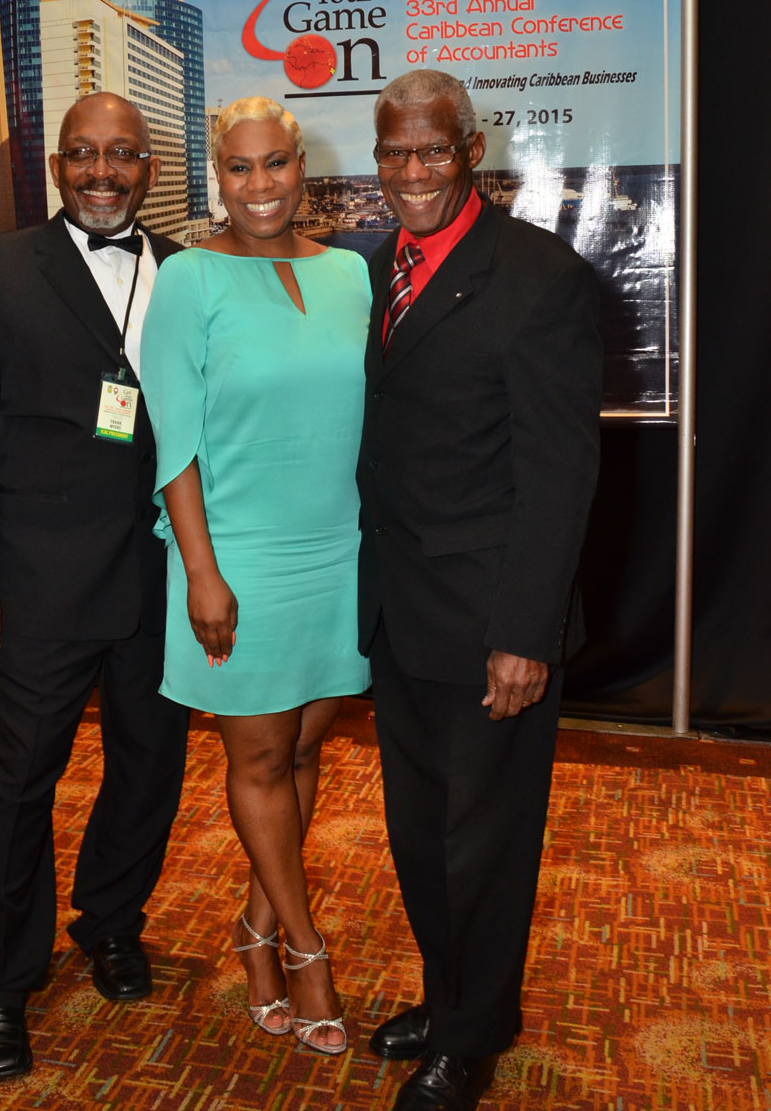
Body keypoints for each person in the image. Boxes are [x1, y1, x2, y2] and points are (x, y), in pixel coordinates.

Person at [0, 92, 189, 1081]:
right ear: (57, 166)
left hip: (161, 573)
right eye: (83, 153)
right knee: (17, 782)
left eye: (121, 153)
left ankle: (112, 921)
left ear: (147, 166)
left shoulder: (189, 270)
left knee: (150, 767)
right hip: (38, 580)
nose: (101, 171)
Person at [357, 71, 602, 1110]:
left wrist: (525, 632)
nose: (411, 171)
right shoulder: (371, 267)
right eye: (393, 152)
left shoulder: (541, 277)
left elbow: (558, 472)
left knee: (485, 845)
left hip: (490, 620)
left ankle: (472, 1035)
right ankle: (447, 996)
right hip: (398, 610)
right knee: (420, 833)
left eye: (432, 150)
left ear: (470, 150)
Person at [139, 97, 371, 1055]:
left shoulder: (353, 272)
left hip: (340, 551)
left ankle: (255, 928)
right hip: (237, 555)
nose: (261, 184)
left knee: (306, 750)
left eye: (276, 163)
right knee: (263, 759)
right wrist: (201, 571)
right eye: (239, 167)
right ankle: (304, 952)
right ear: (217, 177)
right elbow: (174, 439)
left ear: (301, 167)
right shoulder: (189, 278)